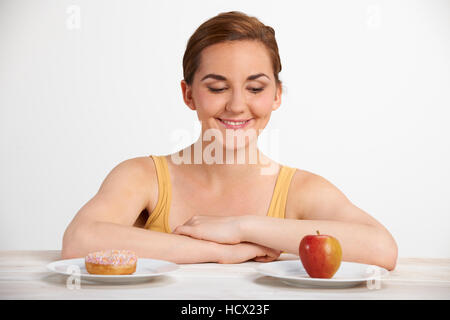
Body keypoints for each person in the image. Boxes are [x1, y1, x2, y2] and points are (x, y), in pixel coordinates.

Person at [62, 11, 398, 270]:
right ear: (189, 94)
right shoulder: (143, 177)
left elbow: (381, 248)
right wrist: (220, 252)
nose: (237, 105)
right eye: (217, 87)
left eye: (255, 88)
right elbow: (79, 240)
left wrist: (242, 227)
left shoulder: (301, 190)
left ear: (277, 95)